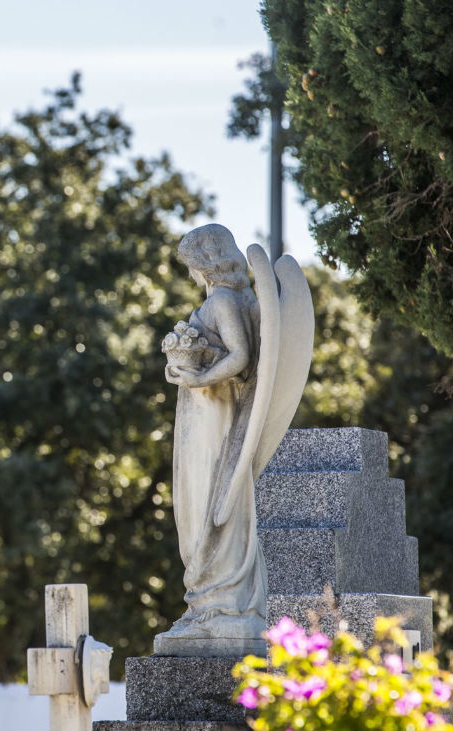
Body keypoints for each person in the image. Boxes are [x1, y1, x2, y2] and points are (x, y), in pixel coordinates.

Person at [157, 223, 268, 651]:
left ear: (205, 262)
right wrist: (181, 371)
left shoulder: (223, 300)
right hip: (200, 411)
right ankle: (204, 605)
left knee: (204, 507)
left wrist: (201, 375)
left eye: (191, 265)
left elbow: (241, 358)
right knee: (192, 507)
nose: (190, 275)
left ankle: (217, 606)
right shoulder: (225, 300)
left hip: (213, 416)